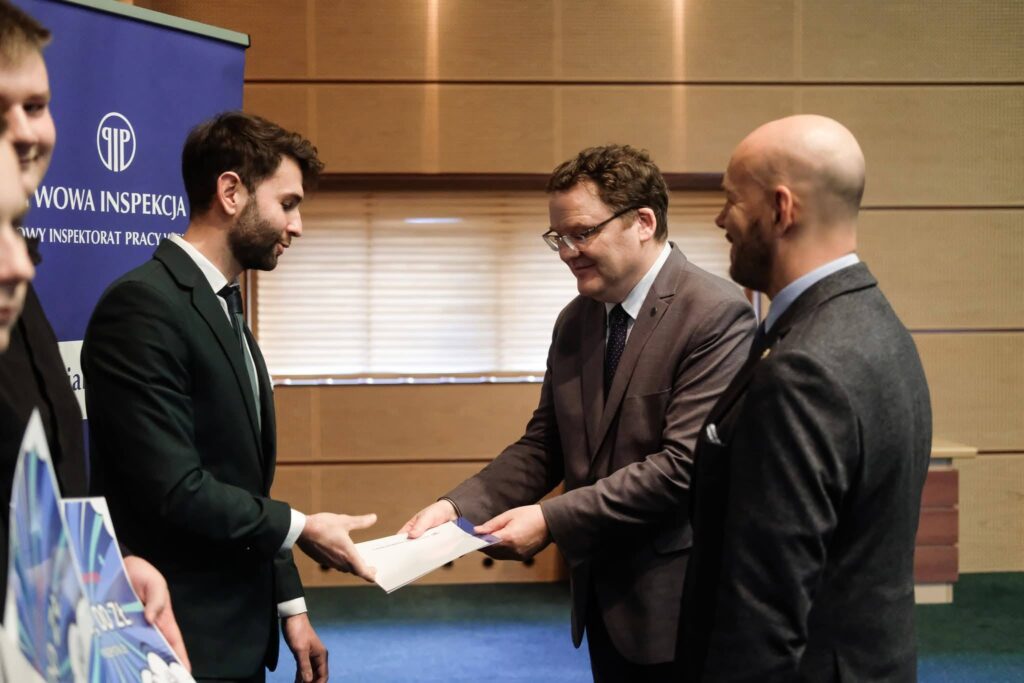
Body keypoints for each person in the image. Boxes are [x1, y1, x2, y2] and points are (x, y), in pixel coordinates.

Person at [402, 144, 754, 681]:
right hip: (602, 603)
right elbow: (546, 442)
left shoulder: (715, 314)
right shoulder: (576, 320)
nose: (567, 252)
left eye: (582, 233)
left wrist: (550, 519)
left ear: (643, 222)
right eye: (558, 237)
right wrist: (458, 506)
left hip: (682, 606)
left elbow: (682, 467)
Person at [83, 111, 378, 683]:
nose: (297, 226)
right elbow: (174, 489)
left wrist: (290, 605)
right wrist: (303, 527)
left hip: (239, 626)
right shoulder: (142, 307)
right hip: (178, 634)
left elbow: (241, 484)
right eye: (287, 203)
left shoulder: (223, 304)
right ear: (231, 192)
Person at [680, 114, 932, 682]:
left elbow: (765, 615)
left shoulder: (802, 369)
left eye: (731, 200)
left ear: (781, 208)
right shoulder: (878, 324)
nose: (720, 220)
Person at [0, 1, 189, 667]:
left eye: (36, 106)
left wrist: (107, 570)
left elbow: (44, 493)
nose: (26, 133)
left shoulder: (20, 287)